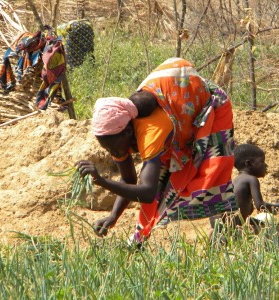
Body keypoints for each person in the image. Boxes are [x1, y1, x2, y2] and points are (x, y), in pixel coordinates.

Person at [77, 58, 238, 245]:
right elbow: (129, 180)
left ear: (129, 131)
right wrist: (113, 216)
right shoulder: (116, 135)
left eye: (113, 146)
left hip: (211, 106)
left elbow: (146, 192)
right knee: (160, 179)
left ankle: (224, 231)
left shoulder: (150, 131)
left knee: (213, 169)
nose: (114, 151)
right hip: (179, 119)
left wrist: (102, 181)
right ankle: (139, 239)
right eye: (107, 148)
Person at [231, 143, 279, 226]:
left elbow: (243, 218)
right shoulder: (251, 179)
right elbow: (260, 206)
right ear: (248, 163)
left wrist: (263, 224)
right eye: (262, 161)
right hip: (233, 228)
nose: (266, 165)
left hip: (227, 227)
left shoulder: (235, 181)